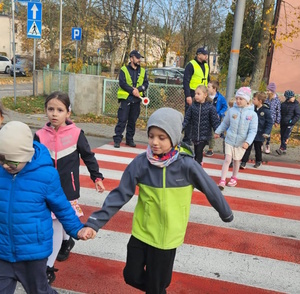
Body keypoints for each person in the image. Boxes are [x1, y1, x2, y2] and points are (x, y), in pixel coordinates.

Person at [80, 107, 234, 294]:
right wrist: (94, 223)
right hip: (142, 231)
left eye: (162, 137)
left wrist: (225, 212)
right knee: (131, 276)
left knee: (156, 285)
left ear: (174, 138)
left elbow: (211, 189)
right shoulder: (141, 163)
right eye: (151, 136)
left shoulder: (187, 166)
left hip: (167, 238)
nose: (154, 142)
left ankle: (157, 288)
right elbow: (120, 194)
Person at [0, 121, 92, 294]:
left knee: (39, 291)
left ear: (26, 155)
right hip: (3, 250)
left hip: (32, 252)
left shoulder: (46, 175)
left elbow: (62, 207)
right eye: (1, 158)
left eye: (11, 161)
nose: (5, 165)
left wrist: (77, 229)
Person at [34, 91, 105, 284]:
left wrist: (97, 177)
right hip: (45, 189)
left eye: (59, 110)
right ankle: (67, 241)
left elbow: (88, 156)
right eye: (50, 109)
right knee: (57, 221)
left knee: (58, 223)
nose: (54, 114)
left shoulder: (76, 134)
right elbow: (33, 161)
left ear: (68, 113)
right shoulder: (39, 135)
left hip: (67, 188)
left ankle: (48, 268)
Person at [214, 87, 258, 190]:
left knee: (236, 160)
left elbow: (253, 130)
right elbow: (225, 123)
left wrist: (247, 142)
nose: (238, 101)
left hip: (241, 142)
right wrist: (218, 131)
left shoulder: (252, 115)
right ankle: (223, 179)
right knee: (227, 159)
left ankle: (234, 177)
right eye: (237, 98)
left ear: (247, 100)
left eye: (241, 99)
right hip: (229, 139)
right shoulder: (232, 111)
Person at [113, 50, 149, 148]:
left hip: (137, 100)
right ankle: (117, 140)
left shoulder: (142, 71)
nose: (139, 60)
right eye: (137, 58)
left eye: (140, 58)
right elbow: (122, 83)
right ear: (131, 58)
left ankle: (129, 139)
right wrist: (132, 91)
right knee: (122, 119)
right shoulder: (124, 69)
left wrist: (139, 89)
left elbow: (146, 84)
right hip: (126, 99)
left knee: (132, 121)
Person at [182, 85, 220, 166]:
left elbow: (215, 121)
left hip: (204, 135)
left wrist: (218, 131)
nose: (196, 96)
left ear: (205, 95)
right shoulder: (192, 107)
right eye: (195, 94)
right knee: (196, 152)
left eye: (198, 94)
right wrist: (181, 128)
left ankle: (197, 167)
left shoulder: (210, 107)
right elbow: (187, 119)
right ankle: (198, 163)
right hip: (195, 134)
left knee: (199, 151)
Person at [183, 47, 210, 145]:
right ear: (198, 55)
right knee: (189, 116)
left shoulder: (206, 66)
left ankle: (198, 138)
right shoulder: (191, 65)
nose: (206, 56)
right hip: (193, 93)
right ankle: (187, 138)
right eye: (204, 54)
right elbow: (186, 81)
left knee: (201, 117)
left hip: (203, 95)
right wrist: (188, 95)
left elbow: (207, 79)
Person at [240, 92, 273, 169]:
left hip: (259, 133)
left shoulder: (265, 111)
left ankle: (258, 160)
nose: (253, 100)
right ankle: (243, 162)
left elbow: (269, 122)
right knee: (247, 147)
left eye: (254, 99)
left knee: (258, 148)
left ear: (260, 101)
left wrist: (266, 132)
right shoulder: (251, 109)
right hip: (251, 132)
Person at [205, 80, 228, 156]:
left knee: (212, 133)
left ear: (214, 88)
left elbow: (225, 106)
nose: (207, 88)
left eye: (209, 87)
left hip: (215, 118)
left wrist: (219, 113)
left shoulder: (220, 98)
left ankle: (210, 149)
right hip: (206, 117)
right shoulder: (206, 96)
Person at [276, 90, 300, 155]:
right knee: (282, 135)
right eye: (291, 97)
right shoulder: (283, 104)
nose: (293, 98)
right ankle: (284, 148)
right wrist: (279, 120)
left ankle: (282, 148)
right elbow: (280, 113)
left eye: (293, 97)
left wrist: (292, 121)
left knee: (285, 136)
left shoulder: (296, 105)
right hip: (283, 122)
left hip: (290, 123)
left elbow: (297, 115)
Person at [264, 82, 281, 154]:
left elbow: (278, 111)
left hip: (271, 119)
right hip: (264, 118)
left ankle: (267, 145)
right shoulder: (266, 99)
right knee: (262, 131)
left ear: (272, 91)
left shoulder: (277, 100)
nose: (267, 92)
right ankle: (261, 143)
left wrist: (277, 121)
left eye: (268, 91)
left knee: (268, 133)